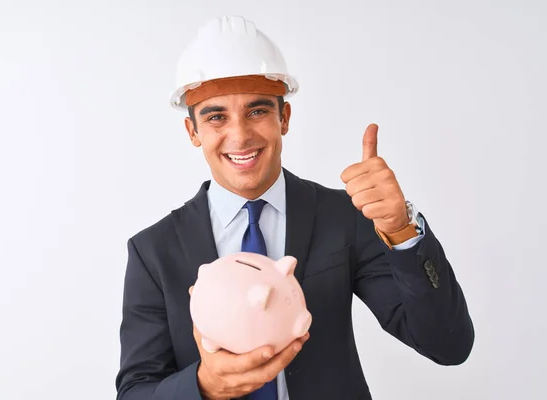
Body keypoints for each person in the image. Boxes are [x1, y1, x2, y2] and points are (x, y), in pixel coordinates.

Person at [115, 15, 474, 400]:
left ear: (284, 118)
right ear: (193, 132)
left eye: (257, 111)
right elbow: (136, 391)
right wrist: (204, 386)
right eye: (216, 116)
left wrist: (401, 231)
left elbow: (447, 346)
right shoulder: (153, 251)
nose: (240, 135)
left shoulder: (346, 217)